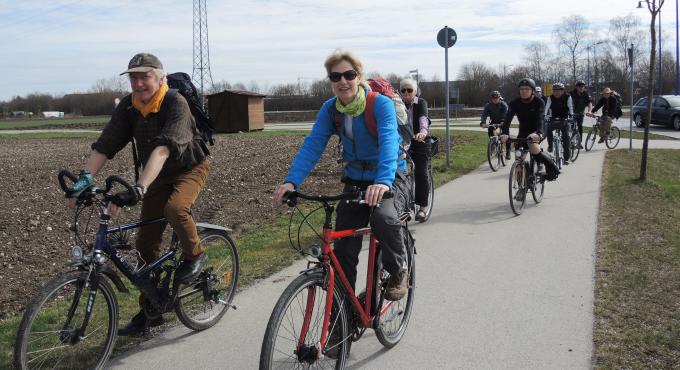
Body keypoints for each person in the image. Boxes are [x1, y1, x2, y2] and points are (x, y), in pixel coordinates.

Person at [66, 53, 210, 336]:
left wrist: (139, 187)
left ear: (160, 78)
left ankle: (196, 256)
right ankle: (150, 311)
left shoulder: (175, 103)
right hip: (155, 175)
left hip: (188, 168)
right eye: (134, 77)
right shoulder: (129, 108)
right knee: (146, 245)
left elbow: (164, 148)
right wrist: (85, 178)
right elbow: (106, 144)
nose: (139, 83)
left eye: (145, 76)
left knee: (176, 209)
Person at [272, 49, 409, 301]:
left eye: (349, 74)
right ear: (331, 81)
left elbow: (389, 141)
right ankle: (342, 316)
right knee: (343, 249)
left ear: (359, 77)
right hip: (355, 179)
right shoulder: (330, 110)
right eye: (336, 77)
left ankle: (398, 270)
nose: (343, 81)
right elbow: (313, 145)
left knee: (383, 217)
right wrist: (292, 180)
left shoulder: (379, 104)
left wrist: (382, 181)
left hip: (389, 176)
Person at [501, 78, 558, 180]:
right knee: (519, 160)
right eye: (522, 89)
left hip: (538, 129)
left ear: (532, 91)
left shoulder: (539, 102)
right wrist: (505, 133)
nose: (523, 91)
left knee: (532, 145)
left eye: (527, 89)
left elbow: (540, 118)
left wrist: (538, 133)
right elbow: (507, 119)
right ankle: (520, 189)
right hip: (523, 130)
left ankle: (551, 166)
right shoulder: (514, 103)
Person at [399, 78, 431, 221]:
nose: (406, 92)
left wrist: (423, 132)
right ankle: (400, 206)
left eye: (409, 90)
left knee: (421, 172)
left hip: (420, 140)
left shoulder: (421, 103)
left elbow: (423, 118)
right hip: (402, 142)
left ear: (415, 91)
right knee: (397, 173)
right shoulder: (397, 105)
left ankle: (423, 207)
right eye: (403, 90)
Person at [544, 82, 573, 164]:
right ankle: (550, 145)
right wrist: (544, 115)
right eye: (555, 91)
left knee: (566, 138)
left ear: (562, 91)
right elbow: (547, 106)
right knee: (548, 129)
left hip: (564, 118)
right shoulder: (550, 97)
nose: (556, 93)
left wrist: (571, 115)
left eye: (558, 91)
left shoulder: (567, 97)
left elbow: (570, 107)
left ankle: (566, 158)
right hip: (553, 118)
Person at [480, 90, 511, 160]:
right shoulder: (488, 106)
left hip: (504, 121)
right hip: (494, 121)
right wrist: (483, 122)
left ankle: (508, 152)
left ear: (499, 98)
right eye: (493, 98)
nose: (495, 99)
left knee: (506, 134)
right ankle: (493, 144)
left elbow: (505, 114)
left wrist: (503, 121)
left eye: (496, 98)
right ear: (491, 99)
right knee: (490, 129)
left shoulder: (503, 105)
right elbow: (484, 114)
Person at [569, 80, 592, 148]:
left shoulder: (586, 94)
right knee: (572, 127)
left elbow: (589, 103)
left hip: (580, 114)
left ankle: (579, 143)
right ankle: (572, 142)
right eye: (580, 86)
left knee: (580, 127)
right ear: (576, 87)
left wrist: (589, 111)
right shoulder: (571, 93)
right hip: (572, 113)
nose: (581, 88)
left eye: (583, 86)